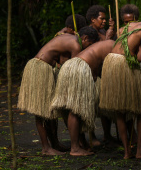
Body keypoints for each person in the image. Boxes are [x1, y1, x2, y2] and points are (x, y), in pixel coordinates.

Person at [17, 26, 99, 155]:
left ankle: (53, 145)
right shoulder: (76, 45)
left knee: (46, 111)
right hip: (40, 68)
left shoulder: (70, 39)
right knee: (41, 111)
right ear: (85, 38)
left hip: (40, 66)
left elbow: (62, 61)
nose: (87, 48)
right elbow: (73, 69)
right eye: (89, 44)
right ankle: (46, 148)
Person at [98, 9, 141, 159]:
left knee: (120, 111)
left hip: (111, 61)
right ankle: (140, 151)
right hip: (124, 63)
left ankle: (127, 152)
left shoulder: (125, 27)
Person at [50, 40, 114, 156]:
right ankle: (75, 148)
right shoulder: (114, 46)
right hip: (79, 68)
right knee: (75, 109)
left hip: (69, 67)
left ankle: (80, 144)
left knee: (73, 109)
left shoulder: (106, 44)